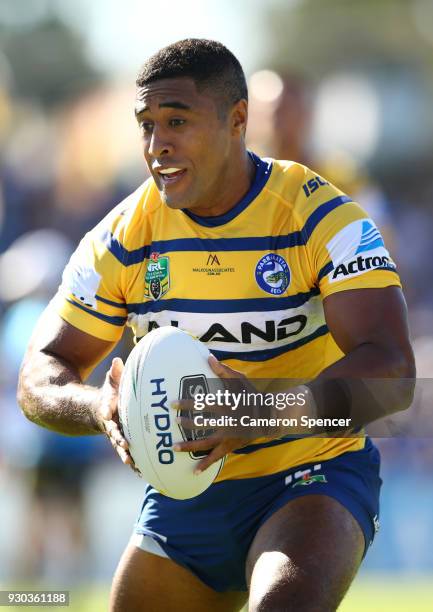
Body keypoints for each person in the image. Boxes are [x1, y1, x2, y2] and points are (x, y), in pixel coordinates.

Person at [18, 39, 415, 611]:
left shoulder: (323, 217)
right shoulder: (119, 239)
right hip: (186, 490)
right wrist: (102, 409)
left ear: (238, 120)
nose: (157, 146)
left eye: (176, 120)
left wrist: (256, 413)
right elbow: (39, 377)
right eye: (146, 125)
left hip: (312, 472)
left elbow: (395, 375)